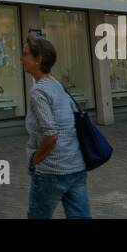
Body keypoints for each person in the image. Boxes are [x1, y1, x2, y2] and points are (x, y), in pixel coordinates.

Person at [21, 34, 89, 219]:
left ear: (38, 60)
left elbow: (51, 134)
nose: (21, 58)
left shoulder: (38, 90)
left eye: (25, 54)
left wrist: (35, 160)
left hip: (51, 171)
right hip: (75, 166)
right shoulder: (57, 84)